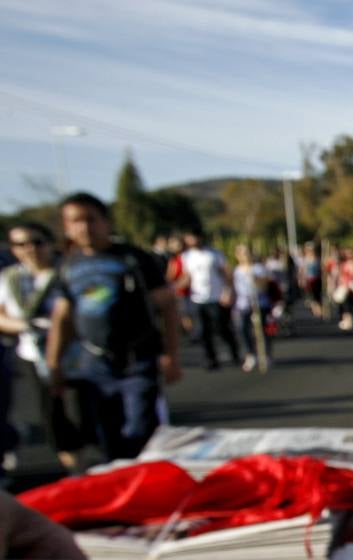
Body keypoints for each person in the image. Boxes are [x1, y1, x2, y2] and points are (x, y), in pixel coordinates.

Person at [45, 193, 183, 461]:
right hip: (94, 363)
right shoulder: (68, 267)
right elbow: (62, 318)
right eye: (75, 221)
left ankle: (146, 486)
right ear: (66, 227)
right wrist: (54, 365)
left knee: (140, 429)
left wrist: (171, 355)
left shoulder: (134, 259)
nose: (84, 227)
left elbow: (167, 306)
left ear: (106, 222)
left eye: (90, 219)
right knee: (105, 434)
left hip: (137, 359)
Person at [0, 223, 86, 473]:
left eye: (37, 242)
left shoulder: (68, 273)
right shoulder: (9, 279)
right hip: (34, 356)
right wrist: (25, 325)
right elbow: (1, 316)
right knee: (53, 418)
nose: (30, 249)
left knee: (83, 417)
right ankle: (76, 473)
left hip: (76, 356)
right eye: (21, 244)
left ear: (50, 243)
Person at [179, 232, 238, 371]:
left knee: (221, 327)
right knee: (202, 331)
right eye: (189, 237)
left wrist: (228, 291)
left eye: (194, 236)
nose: (191, 239)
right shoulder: (186, 256)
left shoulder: (214, 254)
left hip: (216, 297)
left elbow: (226, 273)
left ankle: (234, 349)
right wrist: (174, 287)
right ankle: (211, 359)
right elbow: (187, 276)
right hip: (197, 298)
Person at [231, 245, 270, 372]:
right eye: (241, 253)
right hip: (243, 304)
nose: (245, 256)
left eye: (247, 253)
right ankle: (250, 354)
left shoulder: (258, 268)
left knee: (261, 329)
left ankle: (265, 354)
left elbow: (265, 286)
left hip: (259, 303)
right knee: (242, 329)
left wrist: (256, 279)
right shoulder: (237, 270)